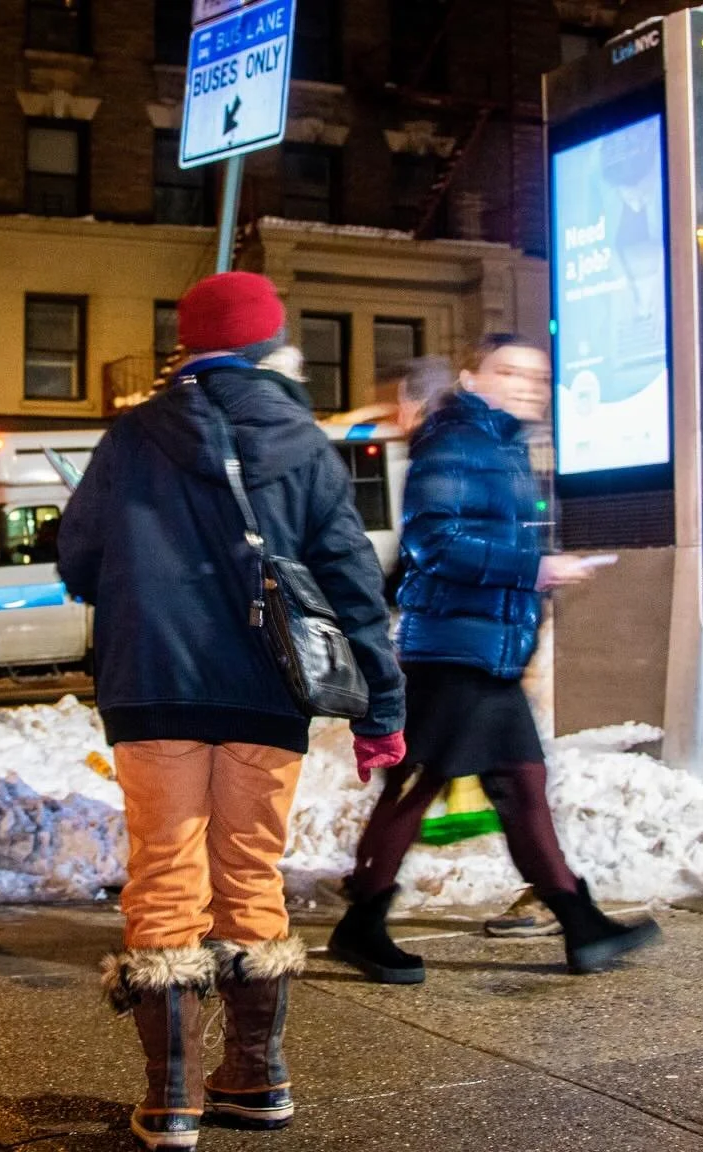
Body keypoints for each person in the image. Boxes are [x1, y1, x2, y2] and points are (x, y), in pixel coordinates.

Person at [57, 271, 406, 1151]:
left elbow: (77, 556)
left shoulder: (132, 435)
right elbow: (353, 583)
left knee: (166, 875)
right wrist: (381, 710)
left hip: (154, 685)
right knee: (251, 871)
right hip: (267, 690)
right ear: (267, 344)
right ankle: (258, 1076)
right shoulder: (305, 442)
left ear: (188, 343)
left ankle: (173, 1102)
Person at [327, 334, 662, 984]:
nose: (526, 386)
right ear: (471, 377)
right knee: (433, 783)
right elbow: (433, 540)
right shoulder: (458, 440)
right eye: (509, 371)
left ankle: (576, 920)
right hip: (455, 650)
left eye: (537, 377)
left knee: (513, 785)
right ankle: (365, 922)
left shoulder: (502, 445)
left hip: (483, 648)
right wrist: (534, 568)